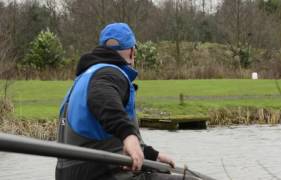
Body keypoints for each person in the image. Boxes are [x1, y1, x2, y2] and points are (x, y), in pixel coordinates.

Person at [55, 23, 197, 180]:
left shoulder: (85, 77)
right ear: (132, 52)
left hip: (72, 172)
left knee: (162, 172)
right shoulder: (109, 73)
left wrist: (151, 155)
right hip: (102, 172)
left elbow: (106, 138)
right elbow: (102, 98)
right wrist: (128, 135)